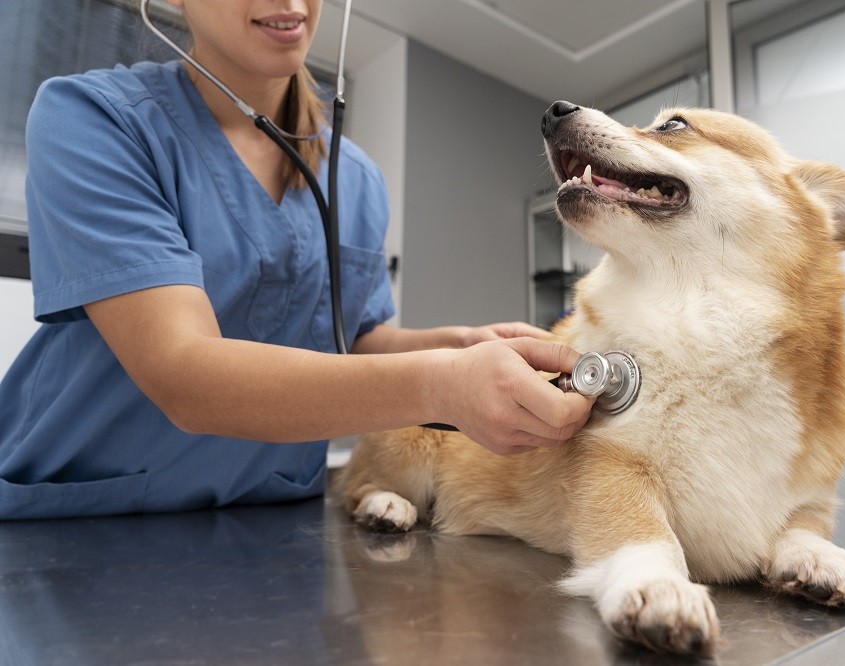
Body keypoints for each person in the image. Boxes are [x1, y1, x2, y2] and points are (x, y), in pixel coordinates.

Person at [0, 0, 593, 520]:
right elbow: (185, 378)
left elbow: (350, 337)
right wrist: (443, 384)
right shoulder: (94, 120)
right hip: (81, 519)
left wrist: (457, 346)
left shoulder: (356, 178)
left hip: (265, 518)